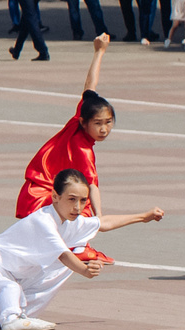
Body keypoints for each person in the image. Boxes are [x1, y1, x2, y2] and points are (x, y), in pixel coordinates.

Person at [0, 168, 162, 330]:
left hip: (9, 276)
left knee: (60, 269)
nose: (78, 207)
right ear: (55, 197)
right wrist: (85, 271)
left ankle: (6, 314)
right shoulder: (44, 221)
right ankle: (11, 320)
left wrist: (144, 216)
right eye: (72, 199)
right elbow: (64, 255)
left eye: (83, 201)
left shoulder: (70, 220)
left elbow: (103, 223)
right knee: (16, 286)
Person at [15, 36, 117, 224]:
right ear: (84, 122)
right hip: (44, 200)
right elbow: (92, 186)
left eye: (108, 122)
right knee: (82, 205)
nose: (104, 129)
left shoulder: (80, 116)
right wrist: (99, 217)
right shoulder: (83, 150)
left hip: (35, 192)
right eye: (98, 123)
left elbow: (89, 86)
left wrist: (99, 52)